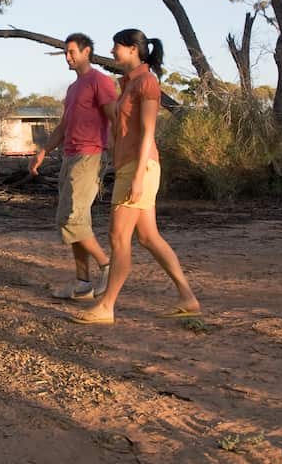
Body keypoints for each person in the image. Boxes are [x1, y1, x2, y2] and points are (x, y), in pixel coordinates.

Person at [73, 28, 199, 324]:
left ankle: (106, 306)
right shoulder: (129, 85)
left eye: (116, 47)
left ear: (132, 49)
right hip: (130, 167)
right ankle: (187, 297)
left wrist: (139, 177)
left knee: (118, 237)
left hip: (139, 168)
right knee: (148, 237)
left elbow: (148, 134)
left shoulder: (147, 83)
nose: (113, 52)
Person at [30, 33, 117, 301]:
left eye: (71, 52)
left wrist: (120, 154)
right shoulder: (72, 89)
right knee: (69, 222)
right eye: (65, 53)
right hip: (70, 157)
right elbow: (63, 127)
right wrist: (43, 151)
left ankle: (107, 265)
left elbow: (114, 117)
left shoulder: (99, 81)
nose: (67, 57)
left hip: (90, 156)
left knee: (74, 220)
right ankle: (82, 284)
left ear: (86, 51)